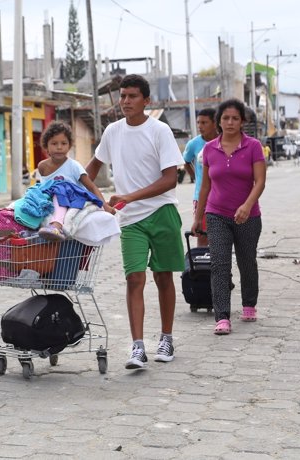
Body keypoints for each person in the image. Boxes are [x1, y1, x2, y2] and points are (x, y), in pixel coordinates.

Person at [86, 74, 185, 369]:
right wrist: (74, 196)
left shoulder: (160, 130)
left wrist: (129, 196)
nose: (125, 101)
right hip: (130, 220)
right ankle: (138, 347)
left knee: (163, 276)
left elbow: (170, 180)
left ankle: (166, 338)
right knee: (134, 278)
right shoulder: (112, 132)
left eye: (132, 96)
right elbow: (89, 170)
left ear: (146, 100)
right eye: (122, 96)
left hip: (162, 212)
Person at [191, 98, 266, 335]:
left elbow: (260, 181)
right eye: (226, 118)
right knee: (219, 264)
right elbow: (205, 186)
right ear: (219, 121)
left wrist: (247, 205)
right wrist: (198, 216)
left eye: (235, 118)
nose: (230, 122)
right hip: (217, 214)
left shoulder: (253, 146)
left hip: (248, 216)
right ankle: (222, 316)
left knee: (247, 262)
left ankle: (249, 304)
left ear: (242, 121)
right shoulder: (209, 149)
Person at [35, 121, 112, 241]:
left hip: (72, 200)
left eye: (64, 143)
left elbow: (91, 187)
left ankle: (57, 225)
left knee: (60, 189)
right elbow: (42, 188)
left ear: (69, 146)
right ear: (46, 146)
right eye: (54, 143)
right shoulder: (42, 166)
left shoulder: (74, 166)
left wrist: (105, 206)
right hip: (49, 201)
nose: (59, 147)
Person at [182, 108, 217, 247]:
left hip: (222, 196)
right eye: (198, 122)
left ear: (215, 123)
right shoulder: (193, 144)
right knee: (202, 235)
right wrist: (196, 178)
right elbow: (186, 161)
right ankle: (202, 265)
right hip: (201, 197)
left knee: (220, 237)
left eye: (204, 122)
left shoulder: (224, 142)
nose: (200, 126)